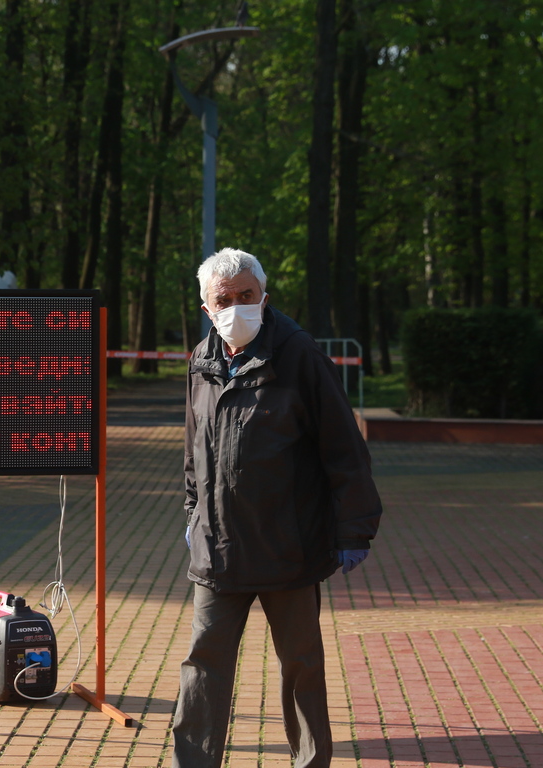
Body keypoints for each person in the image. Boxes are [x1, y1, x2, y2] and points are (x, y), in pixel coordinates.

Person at [173, 248, 382, 768]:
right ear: (207, 307)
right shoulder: (201, 361)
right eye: (225, 299)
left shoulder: (299, 355)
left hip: (289, 547)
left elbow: (344, 449)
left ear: (265, 297)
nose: (238, 307)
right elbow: (194, 452)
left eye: (248, 296)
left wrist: (354, 528)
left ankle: (310, 761)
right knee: (203, 665)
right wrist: (193, 514)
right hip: (219, 550)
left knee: (301, 665)